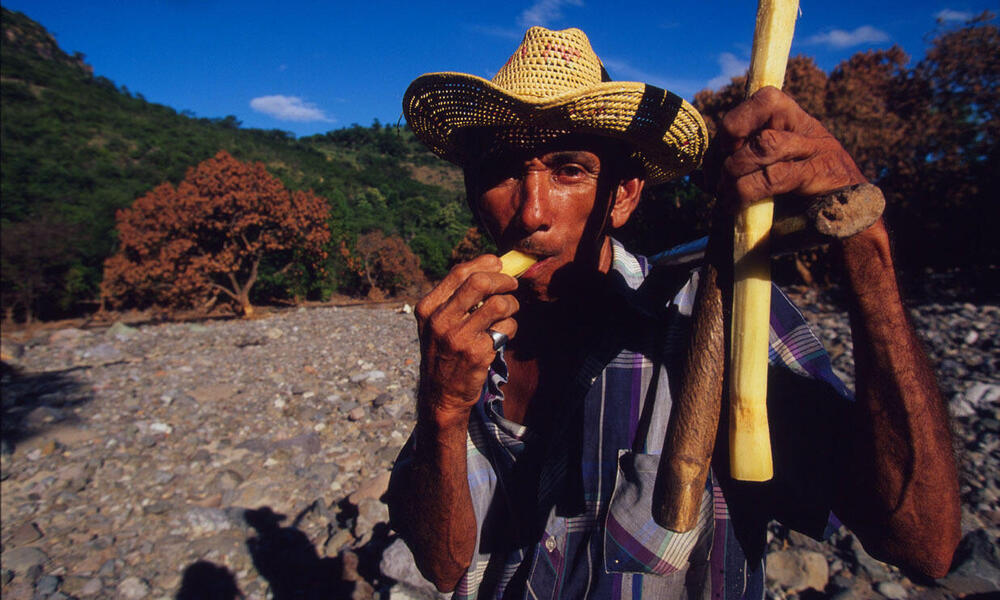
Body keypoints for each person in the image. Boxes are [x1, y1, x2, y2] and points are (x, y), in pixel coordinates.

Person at [386, 26, 960, 599]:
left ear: (625, 195)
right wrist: (441, 408)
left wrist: (866, 241)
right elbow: (440, 564)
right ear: (470, 190)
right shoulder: (464, 341)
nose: (532, 212)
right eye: (503, 170)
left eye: (569, 170)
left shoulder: (722, 315)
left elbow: (922, 544)